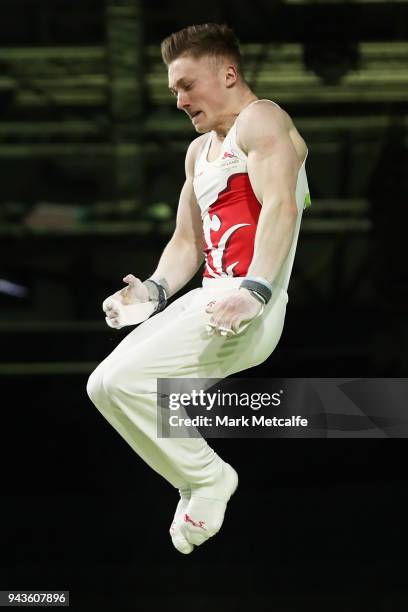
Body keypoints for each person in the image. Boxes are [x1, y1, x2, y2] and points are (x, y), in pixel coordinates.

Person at [87, 23, 311, 554]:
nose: (180, 100)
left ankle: (210, 479)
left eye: (188, 85)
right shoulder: (198, 155)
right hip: (213, 300)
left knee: (122, 380)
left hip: (247, 302)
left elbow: (279, 205)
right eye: (174, 92)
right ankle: (195, 483)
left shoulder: (264, 121)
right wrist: (152, 292)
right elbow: (187, 241)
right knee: (106, 387)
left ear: (228, 73)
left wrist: (255, 288)